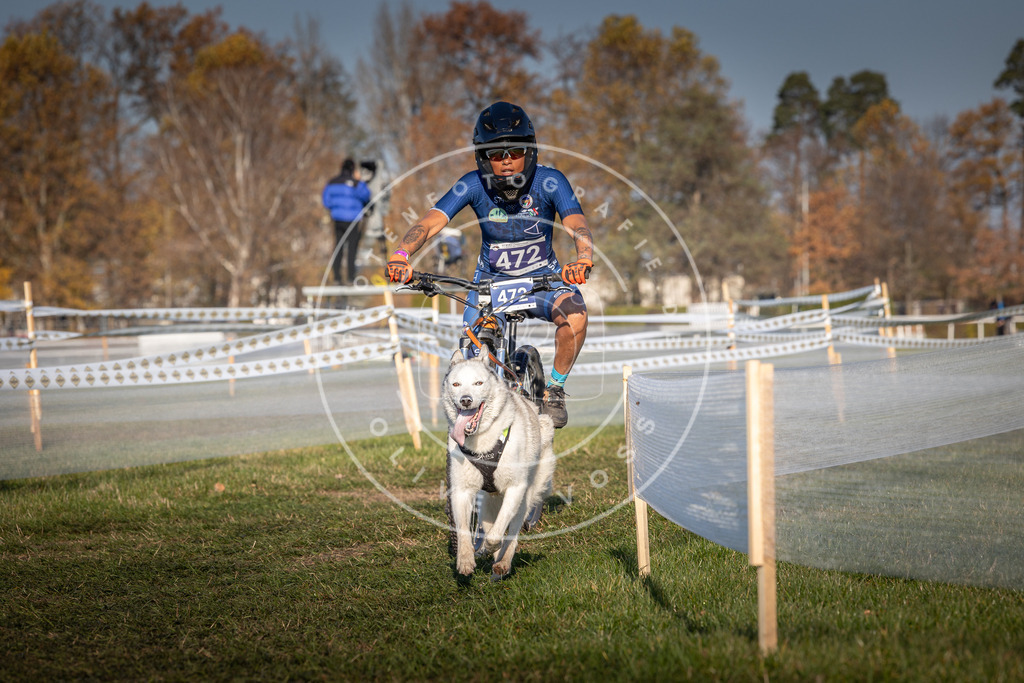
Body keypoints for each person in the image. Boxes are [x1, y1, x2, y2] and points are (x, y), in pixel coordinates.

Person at [386, 101, 593, 428]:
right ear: (483, 158)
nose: (507, 162)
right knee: (471, 356)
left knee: (576, 317)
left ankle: (554, 389)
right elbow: (429, 222)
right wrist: (401, 255)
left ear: (531, 151)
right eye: (496, 155)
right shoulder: (471, 184)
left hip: (543, 279)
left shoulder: (550, 181)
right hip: (489, 284)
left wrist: (583, 258)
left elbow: (576, 222)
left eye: (515, 152)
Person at [322, 158, 371, 285]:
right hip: (353, 220)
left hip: (337, 219)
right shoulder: (356, 183)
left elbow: (326, 200)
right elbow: (366, 195)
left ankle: (337, 278)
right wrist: (360, 180)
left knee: (338, 247)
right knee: (352, 249)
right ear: (352, 169)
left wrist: (335, 208)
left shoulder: (332, 182)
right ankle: (350, 277)